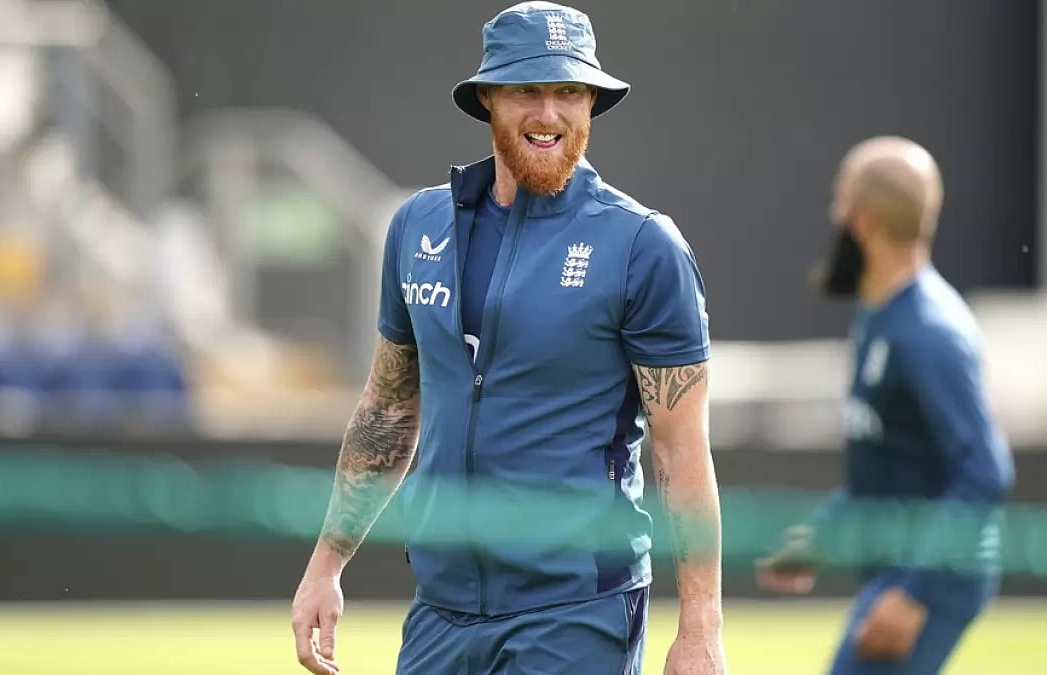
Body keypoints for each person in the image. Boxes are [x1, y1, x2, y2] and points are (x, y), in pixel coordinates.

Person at [291, 3, 727, 673]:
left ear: (591, 104)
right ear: (488, 98)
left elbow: (680, 452)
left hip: (578, 612)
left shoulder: (644, 246)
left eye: (571, 92)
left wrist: (700, 628)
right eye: (528, 90)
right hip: (440, 610)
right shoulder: (416, 227)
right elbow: (387, 408)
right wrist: (326, 565)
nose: (550, 113)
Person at [756, 135, 1016, 674]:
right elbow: (893, 466)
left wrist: (914, 594)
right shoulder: (882, 314)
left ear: (865, 221)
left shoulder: (928, 331)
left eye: (840, 201)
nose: (835, 214)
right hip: (900, 569)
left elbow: (986, 470)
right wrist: (822, 538)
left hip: (933, 578)